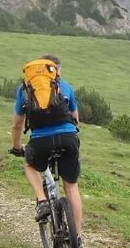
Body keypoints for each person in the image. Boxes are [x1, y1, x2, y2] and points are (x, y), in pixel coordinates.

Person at [10, 54, 83, 236]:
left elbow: (17, 124)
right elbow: (75, 120)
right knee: (71, 186)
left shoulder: (24, 90)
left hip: (40, 140)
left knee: (29, 164)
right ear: (57, 70)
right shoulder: (66, 87)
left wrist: (17, 147)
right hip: (68, 138)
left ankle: (42, 201)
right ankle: (78, 238)